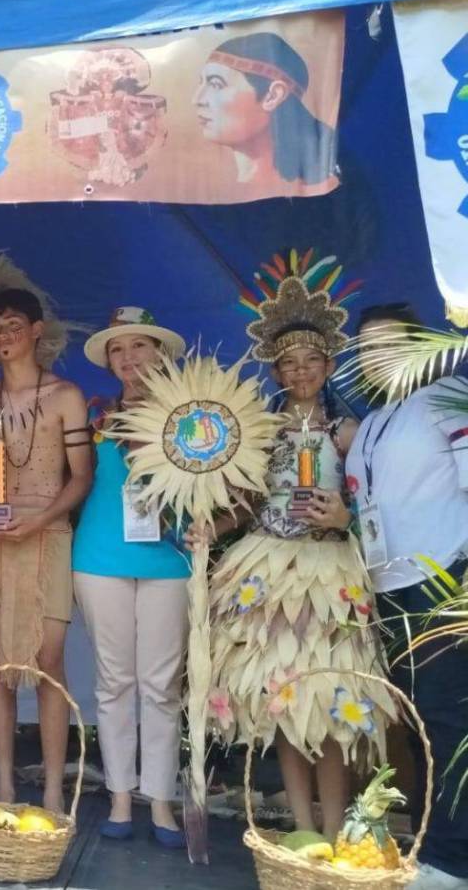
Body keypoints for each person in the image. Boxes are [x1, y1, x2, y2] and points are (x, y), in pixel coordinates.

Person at [193, 259, 393, 842]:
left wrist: (345, 517)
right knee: (280, 702)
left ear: (328, 366)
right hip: (268, 570)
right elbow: (250, 502)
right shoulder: (258, 431)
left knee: (331, 703)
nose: (300, 371)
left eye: (311, 361)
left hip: (329, 575)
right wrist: (213, 527)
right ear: (275, 370)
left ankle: (336, 830)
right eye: (289, 363)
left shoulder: (348, 433)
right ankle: (303, 829)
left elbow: (375, 504)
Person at [344, 303, 468, 887]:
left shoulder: (449, 397)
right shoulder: (370, 421)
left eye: (391, 344)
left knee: (447, 719)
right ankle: (427, 842)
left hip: (442, 582)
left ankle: (450, 859)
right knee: (415, 724)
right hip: (387, 589)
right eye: (367, 349)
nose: (378, 357)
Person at [0, 287, 94, 814]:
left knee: (48, 661)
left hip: (47, 532)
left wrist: (39, 519)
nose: (3, 336)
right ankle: (5, 788)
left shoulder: (66, 395)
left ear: (36, 330)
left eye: (12, 325)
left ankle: (55, 790)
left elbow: (81, 477)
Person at [73, 307, 190, 847]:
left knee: (162, 685)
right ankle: (120, 796)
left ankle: (161, 800)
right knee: (114, 681)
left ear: (160, 353)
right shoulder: (96, 414)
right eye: (117, 350)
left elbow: (227, 488)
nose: (128, 358)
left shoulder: (193, 412)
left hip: (170, 557)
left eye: (139, 345)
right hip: (100, 557)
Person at [194, 32, 336, 192]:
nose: (196, 100)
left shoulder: (319, 189)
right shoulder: (220, 188)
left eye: (216, 85)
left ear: (273, 96)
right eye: (201, 83)